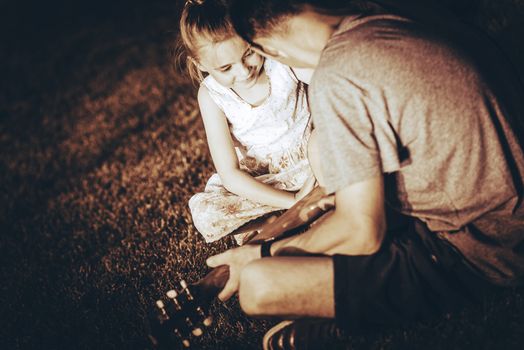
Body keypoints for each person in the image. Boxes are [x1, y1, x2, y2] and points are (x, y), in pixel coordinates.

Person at [204, 0, 524, 348]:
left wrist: (265, 254)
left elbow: (362, 232)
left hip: (483, 247)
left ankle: (360, 319)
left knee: (259, 287)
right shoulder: (395, 13)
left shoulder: (338, 72)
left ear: (269, 49)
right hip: (503, 200)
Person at [178, 0, 316, 245]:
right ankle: (290, 212)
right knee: (207, 213)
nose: (243, 72)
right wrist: (293, 199)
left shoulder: (278, 61)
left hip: (312, 159)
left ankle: (292, 217)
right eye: (226, 67)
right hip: (266, 180)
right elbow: (230, 174)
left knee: (331, 155)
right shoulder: (211, 96)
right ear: (201, 64)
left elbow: (323, 75)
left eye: (249, 53)